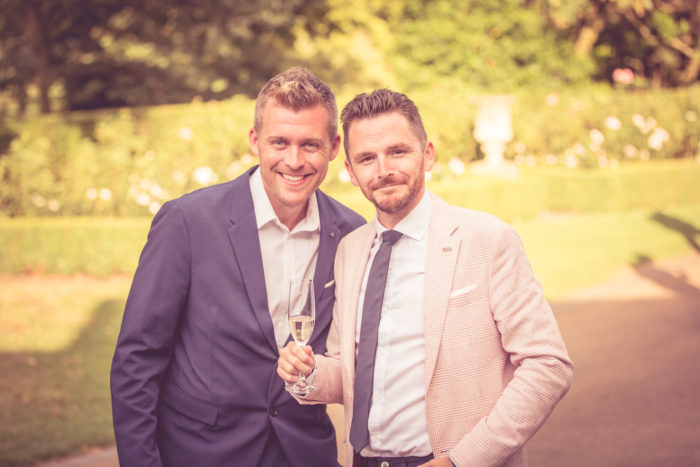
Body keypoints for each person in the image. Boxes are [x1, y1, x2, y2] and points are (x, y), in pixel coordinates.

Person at [277, 89, 574, 467]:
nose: (383, 169)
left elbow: (548, 365)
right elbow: (346, 371)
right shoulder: (350, 251)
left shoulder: (488, 240)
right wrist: (307, 373)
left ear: (428, 154)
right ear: (351, 172)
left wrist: (462, 460)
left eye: (397, 151)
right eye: (367, 158)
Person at [110, 68, 365, 467]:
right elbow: (137, 359)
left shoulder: (352, 233)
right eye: (279, 142)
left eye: (310, 145)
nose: (294, 160)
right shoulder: (187, 222)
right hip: (203, 453)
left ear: (333, 147)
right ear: (255, 141)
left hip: (303, 454)